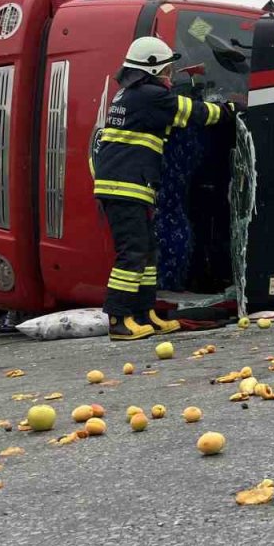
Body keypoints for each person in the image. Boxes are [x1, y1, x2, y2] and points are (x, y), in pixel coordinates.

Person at [92, 36, 232, 341]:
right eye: (167, 70)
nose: (170, 75)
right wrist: (227, 110)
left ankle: (145, 314)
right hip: (123, 187)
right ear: (152, 70)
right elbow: (193, 113)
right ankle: (118, 318)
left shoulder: (132, 95)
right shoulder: (148, 96)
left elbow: (168, 118)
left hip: (128, 186)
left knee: (148, 252)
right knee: (132, 254)